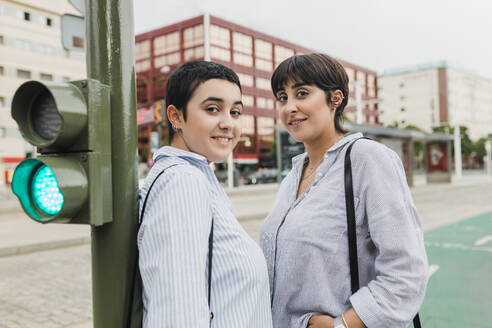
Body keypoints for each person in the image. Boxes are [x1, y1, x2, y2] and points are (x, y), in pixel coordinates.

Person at [259, 54, 428, 328]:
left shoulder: (367, 158)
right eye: (282, 97)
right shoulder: (293, 174)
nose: (289, 107)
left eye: (302, 93)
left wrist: (343, 325)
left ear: (335, 98)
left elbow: (406, 274)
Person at [138, 61, 273, 328]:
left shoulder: (196, 176)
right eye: (212, 109)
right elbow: (177, 312)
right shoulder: (182, 181)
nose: (228, 123)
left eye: (235, 112)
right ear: (175, 116)